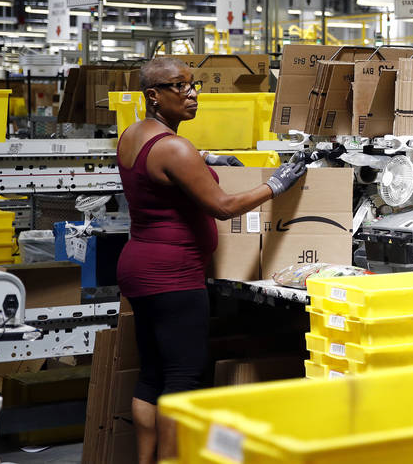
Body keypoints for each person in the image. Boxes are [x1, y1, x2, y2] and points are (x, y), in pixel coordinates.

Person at [115, 57, 307, 464]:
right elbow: (222, 206)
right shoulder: (174, 148)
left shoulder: (133, 135)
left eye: (194, 84)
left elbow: (165, 168)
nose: (192, 94)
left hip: (139, 268)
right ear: (153, 95)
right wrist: (275, 185)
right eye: (180, 87)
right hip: (174, 275)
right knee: (181, 380)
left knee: (152, 375)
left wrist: (208, 159)